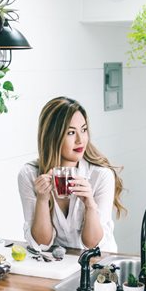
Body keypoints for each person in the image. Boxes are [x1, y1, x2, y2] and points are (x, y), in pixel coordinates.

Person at [17, 96, 125, 253]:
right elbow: (41, 243)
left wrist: (90, 205)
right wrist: (42, 200)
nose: (80, 140)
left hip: (99, 262)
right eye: (71, 132)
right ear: (52, 137)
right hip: (60, 264)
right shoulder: (29, 175)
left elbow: (92, 245)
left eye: (84, 130)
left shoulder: (101, 176)